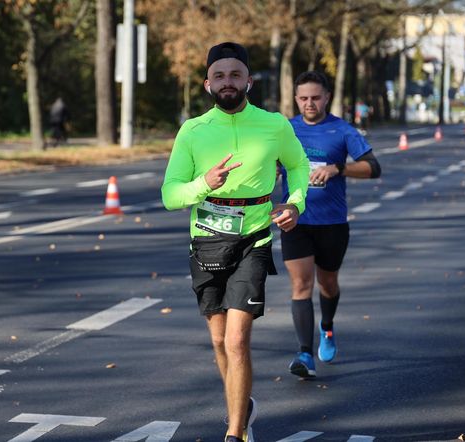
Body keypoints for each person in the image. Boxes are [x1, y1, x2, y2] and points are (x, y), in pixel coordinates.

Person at [162, 42, 310, 442]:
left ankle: (235, 432)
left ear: (248, 80)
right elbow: (170, 194)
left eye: (235, 74)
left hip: (254, 239)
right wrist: (203, 184)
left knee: (236, 338)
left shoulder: (274, 125)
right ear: (207, 83)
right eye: (219, 76)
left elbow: (298, 166)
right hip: (207, 241)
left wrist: (295, 203)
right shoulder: (192, 131)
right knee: (217, 339)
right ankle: (241, 405)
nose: (228, 82)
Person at [278, 71, 381, 379]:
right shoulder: (284, 130)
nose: (310, 103)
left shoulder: (341, 130)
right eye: (304, 98)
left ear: (326, 98)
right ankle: (304, 354)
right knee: (300, 285)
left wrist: (338, 168)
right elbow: (267, 167)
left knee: (328, 284)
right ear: (296, 99)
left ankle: (327, 327)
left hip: (332, 223)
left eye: (316, 97)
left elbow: (373, 168)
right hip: (295, 220)